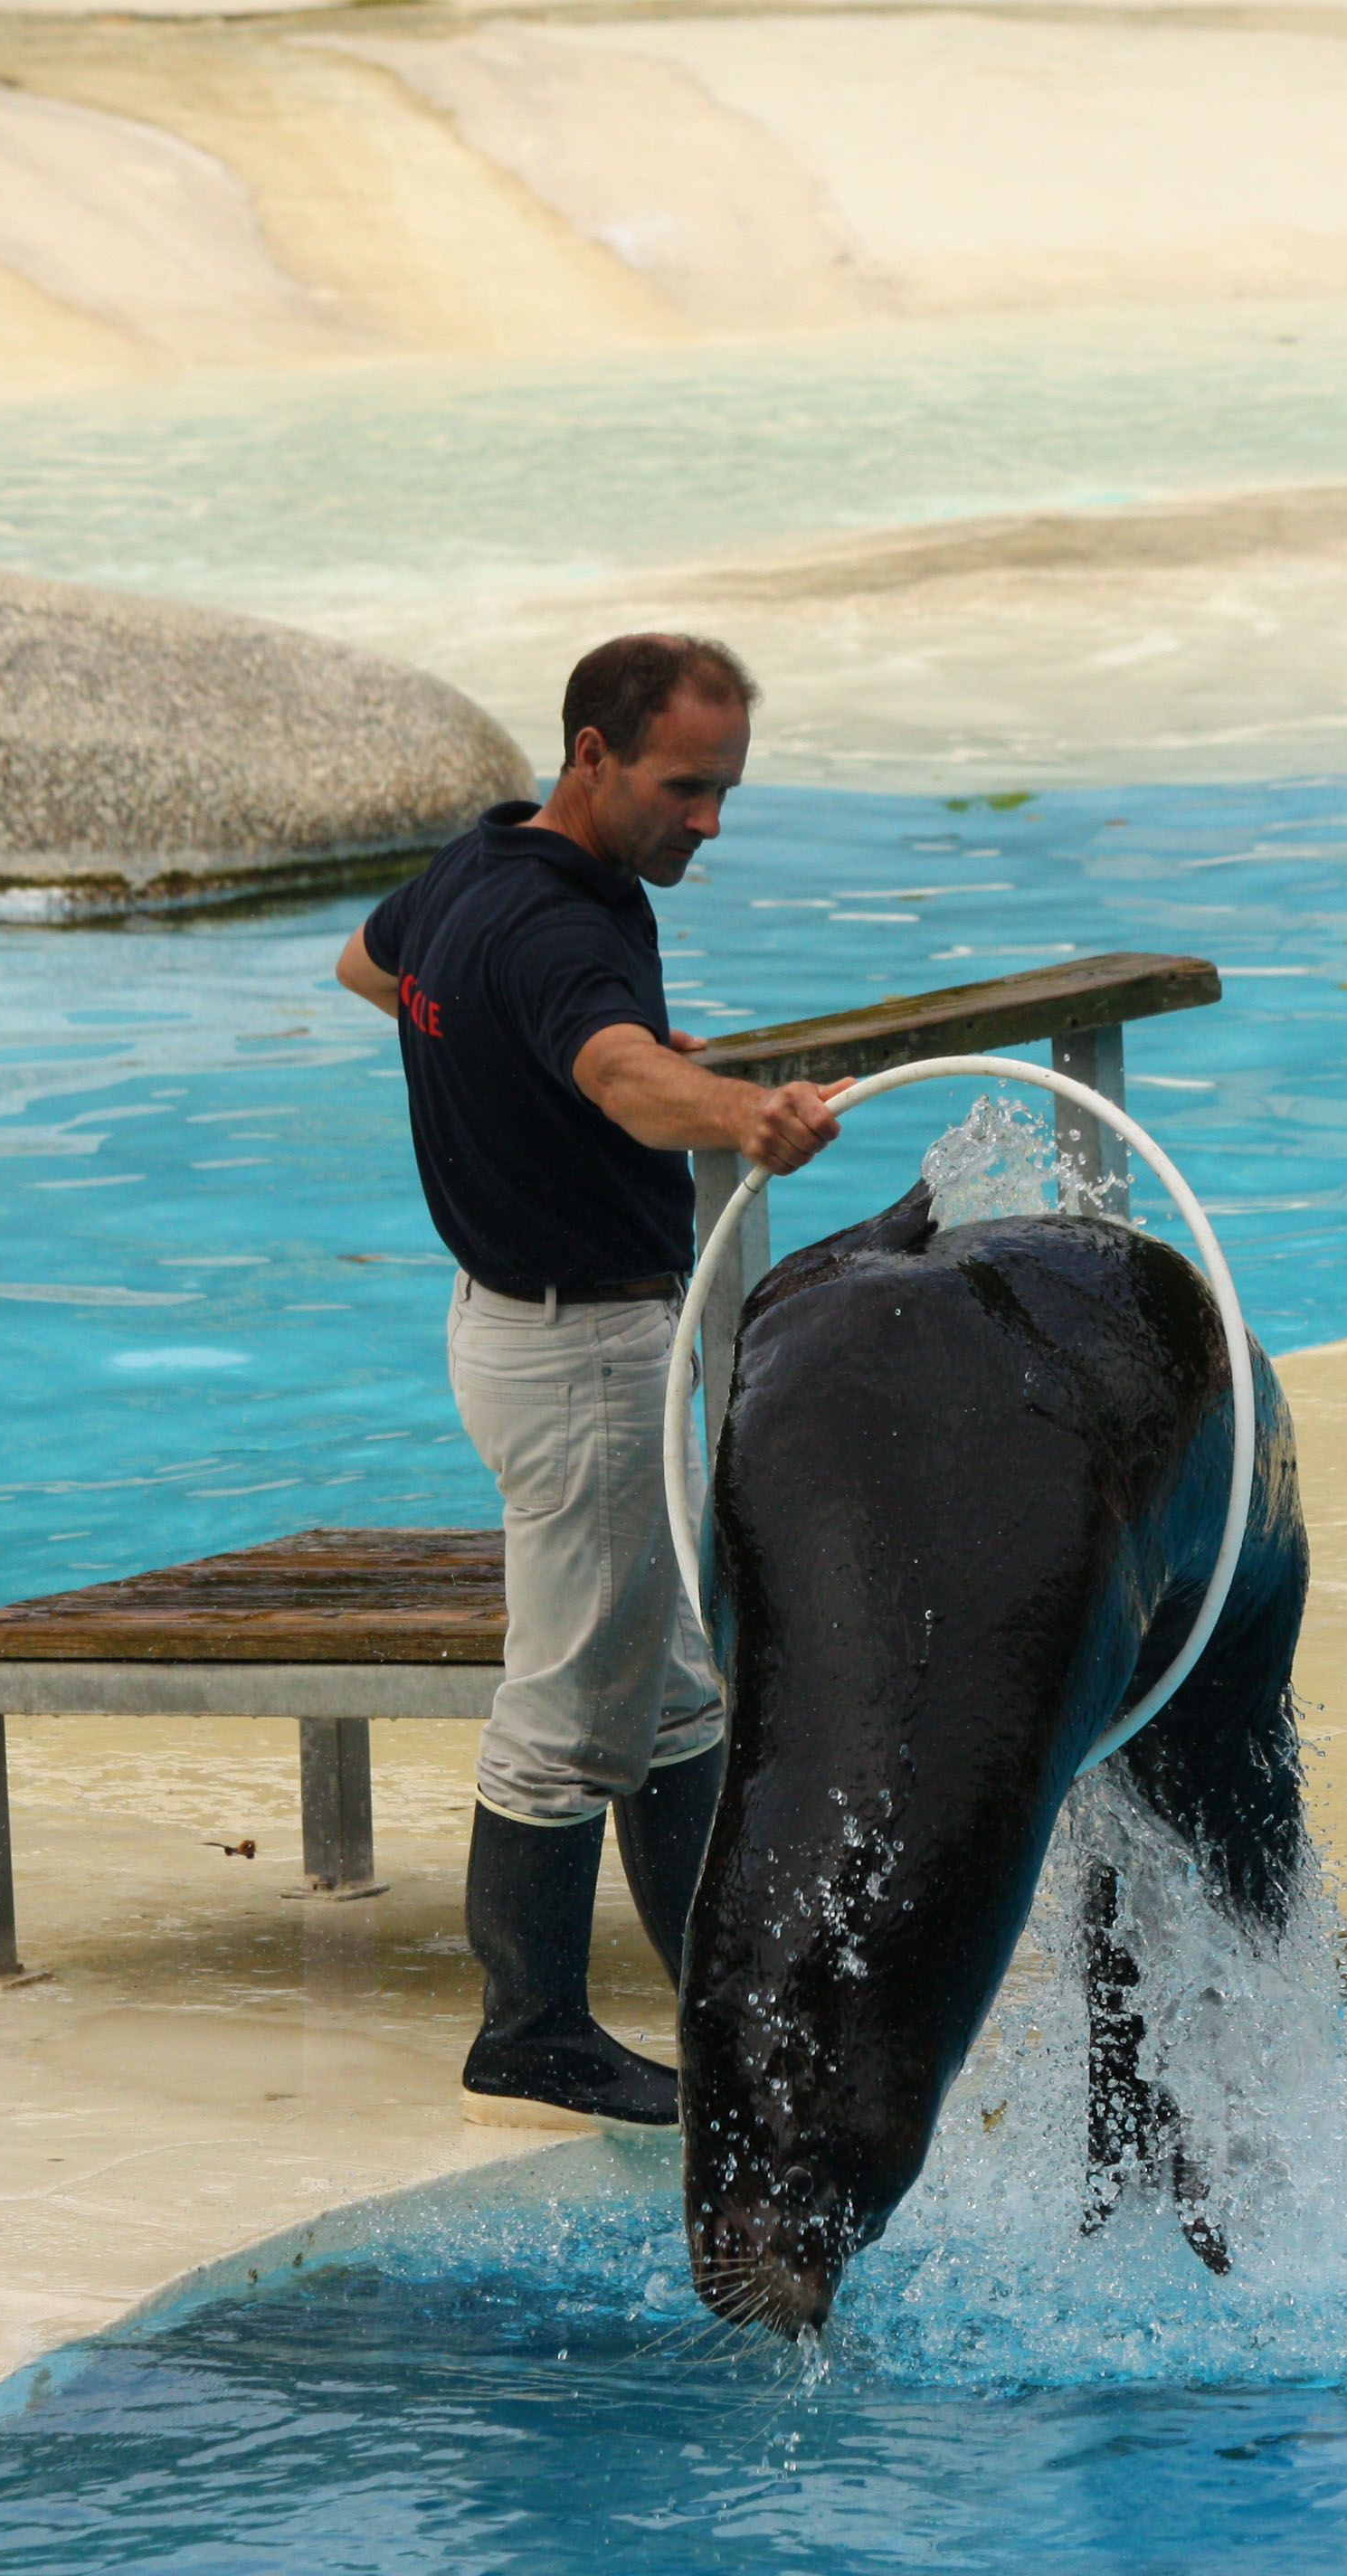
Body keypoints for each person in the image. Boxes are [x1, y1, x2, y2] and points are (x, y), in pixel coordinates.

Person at [335, 633, 842, 2126]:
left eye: (727, 790)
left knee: (669, 1685)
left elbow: (372, 965)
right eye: (686, 787)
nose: (709, 822)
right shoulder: (560, 925)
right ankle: (533, 2027)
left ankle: (719, 1979)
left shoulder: (477, 868)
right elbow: (621, 1075)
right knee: (567, 1697)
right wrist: (739, 1112)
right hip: (581, 1355)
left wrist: (532, 1065)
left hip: (522, 1319)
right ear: (593, 755)